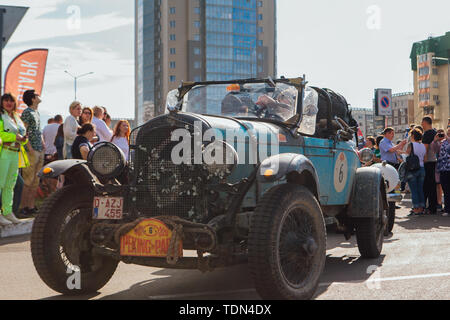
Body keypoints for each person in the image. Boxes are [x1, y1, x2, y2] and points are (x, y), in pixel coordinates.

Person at [0, 93, 29, 225]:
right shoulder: (1, 116)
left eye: (11, 100)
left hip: (15, 153)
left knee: (10, 185)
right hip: (4, 153)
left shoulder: (17, 117)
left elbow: (21, 135)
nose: (8, 103)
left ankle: (7, 212)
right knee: (0, 184)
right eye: (5, 100)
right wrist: (14, 137)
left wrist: (23, 139)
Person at [19, 90, 44, 217]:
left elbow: (38, 131)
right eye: (37, 95)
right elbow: (23, 131)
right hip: (31, 150)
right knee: (28, 180)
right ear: (33, 99)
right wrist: (30, 149)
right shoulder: (27, 112)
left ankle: (31, 206)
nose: (39, 96)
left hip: (39, 149)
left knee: (35, 181)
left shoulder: (37, 112)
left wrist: (43, 145)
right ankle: (23, 207)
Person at [405, 129, 427, 216]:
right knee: (420, 189)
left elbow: (407, 154)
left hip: (412, 169)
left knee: (414, 190)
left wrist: (400, 152)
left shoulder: (411, 145)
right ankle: (421, 208)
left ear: (413, 136)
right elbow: (425, 159)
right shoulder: (423, 146)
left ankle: (416, 209)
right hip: (422, 169)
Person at [421, 116, 438, 215]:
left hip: (428, 162)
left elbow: (425, 148)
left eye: (422, 122)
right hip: (434, 161)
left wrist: (424, 160)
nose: (421, 124)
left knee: (427, 185)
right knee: (432, 185)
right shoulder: (434, 132)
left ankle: (430, 208)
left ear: (425, 122)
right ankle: (433, 207)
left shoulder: (427, 133)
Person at [434, 127, 450, 216]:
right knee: (446, 190)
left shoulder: (447, 141)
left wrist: (447, 138)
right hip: (443, 169)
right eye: (448, 132)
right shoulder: (442, 142)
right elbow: (434, 150)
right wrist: (435, 141)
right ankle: (447, 209)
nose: (448, 133)